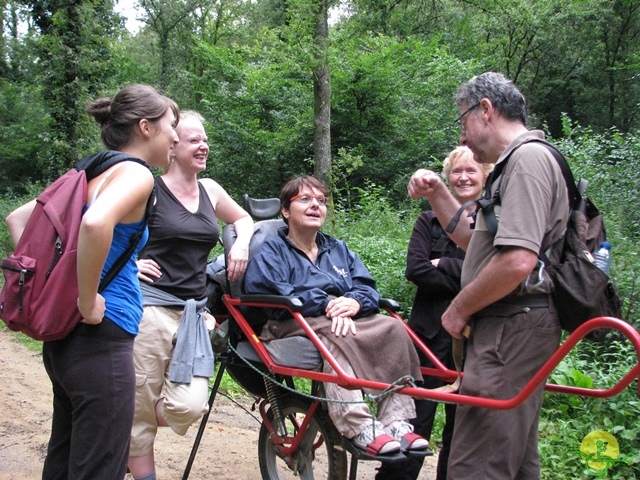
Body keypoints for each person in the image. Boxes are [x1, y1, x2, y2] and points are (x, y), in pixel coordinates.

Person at [5, 84, 179, 480]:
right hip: (102, 339)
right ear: (146, 127)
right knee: (99, 467)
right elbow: (95, 223)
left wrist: (63, 286)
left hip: (65, 345)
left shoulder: (92, 170)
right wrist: (86, 301)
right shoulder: (136, 173)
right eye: (172, 124)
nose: (175, 135)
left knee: (65, 461)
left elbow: (19, 220)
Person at [408, 72, 570, 479]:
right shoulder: (512, 165)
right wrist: (437, 193)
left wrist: (458, 310)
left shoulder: (529, 160)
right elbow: (474, 240)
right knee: (514, 462)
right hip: (510, 328)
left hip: (510, 329)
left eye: (463, 121)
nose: (463, 137)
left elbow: (517, 261)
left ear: (485, 110)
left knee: (475, 464)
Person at [243, 175, 429, 456]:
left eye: (321, 201)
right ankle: (358, 426)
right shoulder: (272, 250)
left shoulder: (338, 249)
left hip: (341, 318)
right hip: (289, 321)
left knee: (394, 327)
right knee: (339, 332)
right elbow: (270, 290)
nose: (315, 205)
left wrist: (354, 302)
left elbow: (365, 286)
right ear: (285, 210)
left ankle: (396, 420)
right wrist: (329, 303)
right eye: (304, 199)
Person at [127, 111, 253, 480]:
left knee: (190, 405)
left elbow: (243, 219)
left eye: (205, 139)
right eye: (195, 139)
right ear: (173, 144)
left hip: (193, 314)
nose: (204, 146)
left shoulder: (210, 190)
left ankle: (119, 428)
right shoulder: (148, 189)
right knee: (137, 413)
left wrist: (241, 244)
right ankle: (136, 454)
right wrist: (127, 265)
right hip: (148, 309)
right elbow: (108, 232)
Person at [376, 146, 492, 480]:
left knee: (463, 427)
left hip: (475, 337)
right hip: (426, 338)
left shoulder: (488, 217)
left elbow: (491, 270)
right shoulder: (428, 219)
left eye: (471, 170)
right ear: (448, 177)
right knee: (414, 420)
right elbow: (416, 270)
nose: (464, 177)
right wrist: (467, 273)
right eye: (457, 171)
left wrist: (446, 265)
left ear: (485, 175)